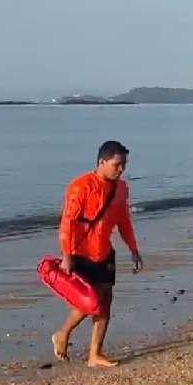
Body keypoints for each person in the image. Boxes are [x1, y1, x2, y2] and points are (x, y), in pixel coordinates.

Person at [51, 140, 143, 367]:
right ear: (102, 162)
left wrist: (133, 249)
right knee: (90, 302)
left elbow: (123, 220)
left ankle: (95, 355)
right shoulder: (80, 186)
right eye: (116, 164)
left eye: (123, 165)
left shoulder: (121, 188)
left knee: (105, 302)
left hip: (104, 252)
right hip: (80, 253)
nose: (121, 169)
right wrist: (67, 255)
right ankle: (62, 334)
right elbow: (67, 223)